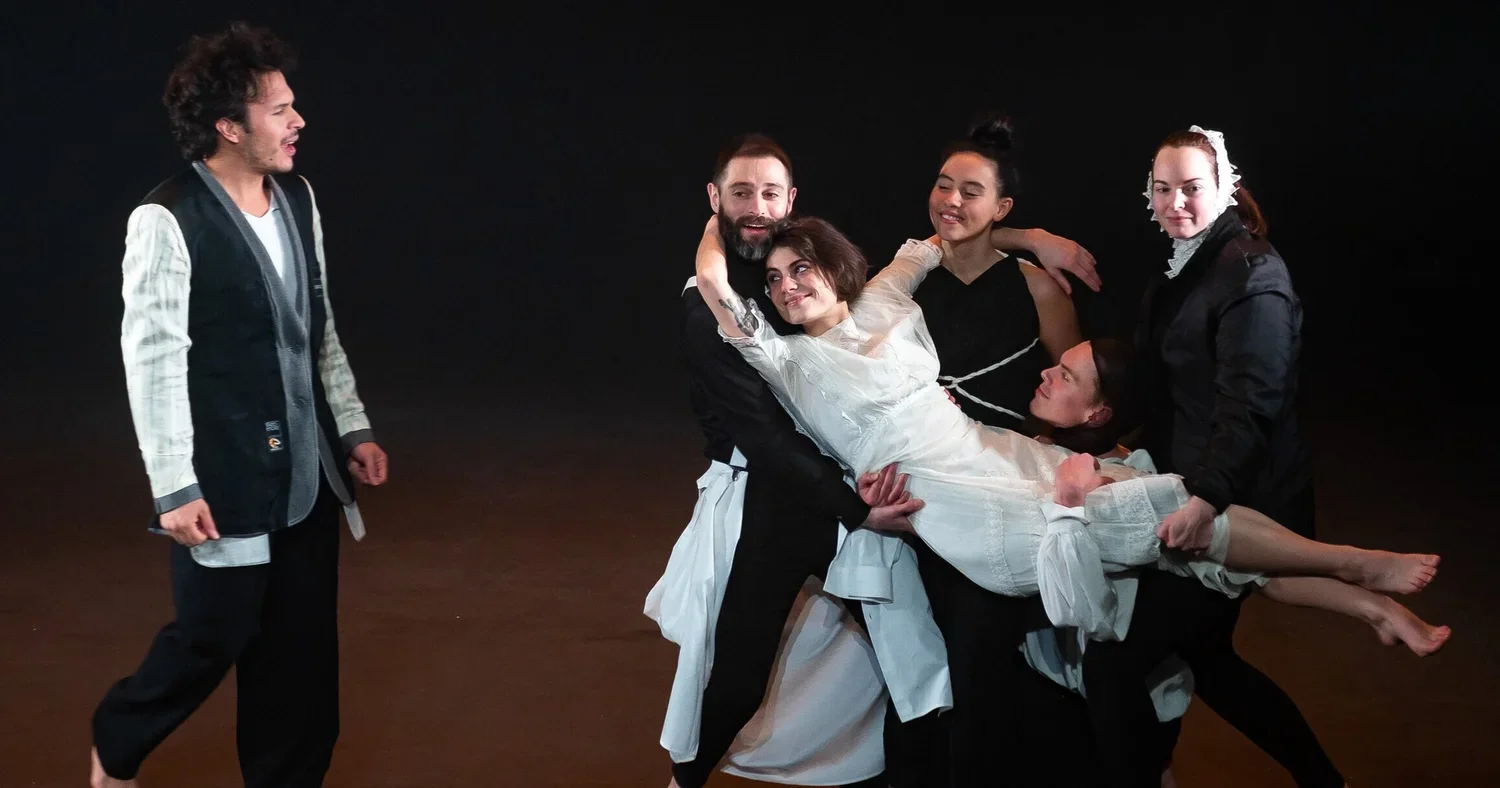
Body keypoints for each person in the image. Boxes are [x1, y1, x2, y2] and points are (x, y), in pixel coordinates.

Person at [691, 215, 1441, 639]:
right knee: (1152, 514)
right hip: (948, 498)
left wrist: (1033, 240)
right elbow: (718, 284)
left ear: (834, 266)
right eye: (776, 278)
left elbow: (940, 240)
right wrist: (721, 215)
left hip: (994, 452)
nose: (787, 287)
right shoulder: (785, 360)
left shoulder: (881, 299)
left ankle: (1363, 592)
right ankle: (1354, 568)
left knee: (1178, 508)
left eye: (801, 268)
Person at [646, 132, 1102, 788]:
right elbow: (768, 436)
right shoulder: (724, 317)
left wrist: (1030, 239)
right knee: (743, 662)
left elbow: (939, 242)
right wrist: (857, 511)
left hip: (896, 486)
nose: (757, 207)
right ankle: (684, 780)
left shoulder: (864, 295)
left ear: (792, 202)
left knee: (919, 655)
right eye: (740, 193)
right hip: (791, 498)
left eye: (770, 193)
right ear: (715, 199)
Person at [90, 22, 387, 788]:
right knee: (212, 637)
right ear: (229, 125)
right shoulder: (167, 219)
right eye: (279, 110)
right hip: (224, 477)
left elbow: (318, 327)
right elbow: (152, 365)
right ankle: (116, 741)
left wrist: (349, 423)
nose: (298, 121)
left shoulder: (297, 198)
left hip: (307, 475)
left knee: (300, 658)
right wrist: (173, 487)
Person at [1079, 125, 1339, 788]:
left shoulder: (1253, 274)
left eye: (1192, 188)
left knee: (1113, 663)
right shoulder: (1187, 263)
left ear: (1224, 187)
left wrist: (1205, 500)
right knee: (1208, 660)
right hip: (1195, 488)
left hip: (1238, 505)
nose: (1176, 203)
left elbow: (1251, 405)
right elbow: (1166, 390)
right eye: (1162, 189)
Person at [903, 113, 1091, 785]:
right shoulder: (906, 278)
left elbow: (1075, 396)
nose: (951, 200)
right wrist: (1031, 233)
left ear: (1002, 206)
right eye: (943, 185)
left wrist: (1055, 455)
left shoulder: (1036, 288)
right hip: (920, 497)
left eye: (971, 191)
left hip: (1000, 502)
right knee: (917, 667)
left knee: (983, 666)